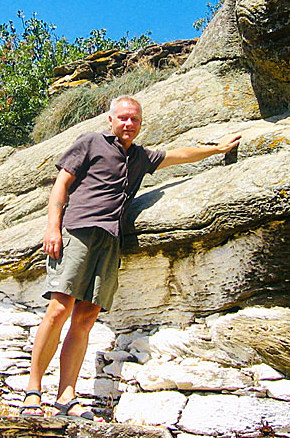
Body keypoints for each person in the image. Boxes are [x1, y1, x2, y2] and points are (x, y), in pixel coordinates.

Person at [20, 95, 241, 420]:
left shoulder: (139, 157)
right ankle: (32, 390)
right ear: (111, 120)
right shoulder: (91, 142)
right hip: (78, 230)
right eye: (122, 118)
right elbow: (62, 183)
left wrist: (217, 148)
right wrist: (52, 227)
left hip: (111, 240)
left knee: (85, 318)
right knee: (58, 309)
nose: (128, 123)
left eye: (134, 119)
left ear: (140, 124)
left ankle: (66, 395)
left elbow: (178, 155)